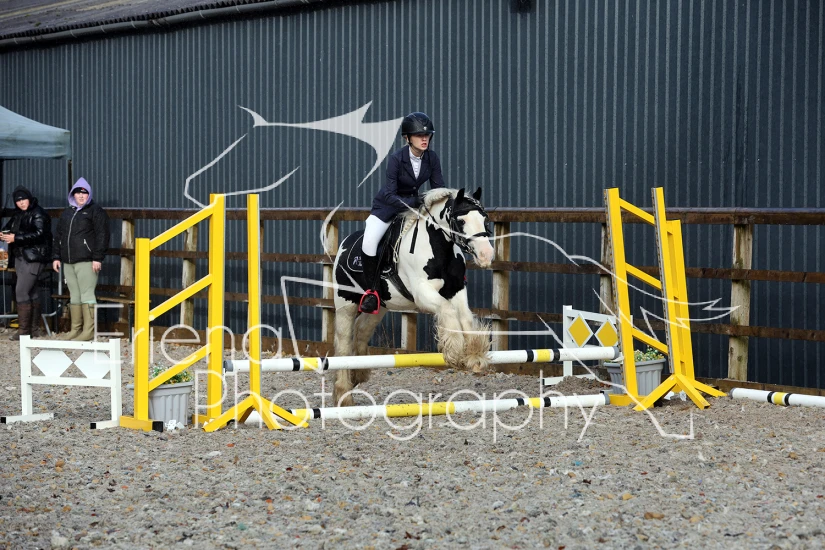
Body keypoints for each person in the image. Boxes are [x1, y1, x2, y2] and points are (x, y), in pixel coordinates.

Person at [359, 112, 445, 314]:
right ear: (407, 138)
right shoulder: (396, 159)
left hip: (415, 207)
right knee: (369, 241)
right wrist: (416, 201)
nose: (424, 139)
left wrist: (442, 202)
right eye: (419, 135)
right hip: (387, 207)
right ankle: (372, 293)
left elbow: (439, 188)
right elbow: (390, 194)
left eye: (427, 135)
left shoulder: (432, 158)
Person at [52, 177, 110, 341]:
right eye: (78, 193)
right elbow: (59, 235)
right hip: (68, 261)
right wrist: (56, 256)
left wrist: (97, 257)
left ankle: (88, 331)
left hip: (87, 260)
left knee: (87, 295)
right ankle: (75, 329)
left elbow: (102, 235)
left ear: (89, 194)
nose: (81, 196)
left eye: (84, 193)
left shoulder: (95, 211)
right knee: (74, 296)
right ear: (73, 195)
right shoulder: (67, 212)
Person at [0, 186, 53, 340]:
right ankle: (34, 330)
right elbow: (8, 228)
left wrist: (15, 238)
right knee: (32, 291)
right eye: (18, 201)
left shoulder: (38, 213)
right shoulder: (18, 214)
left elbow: (40, 234)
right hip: (21, 257)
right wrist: (4, 234)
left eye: (23, 199)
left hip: (34, 257)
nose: (21, 202)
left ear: (29, 199)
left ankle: (23, 331)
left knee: (21, 291)